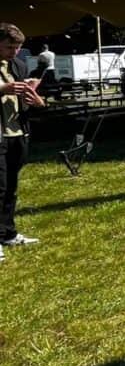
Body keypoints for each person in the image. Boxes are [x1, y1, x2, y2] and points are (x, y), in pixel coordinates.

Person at [0, 23, 45, 254]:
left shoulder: (17, 65)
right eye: (9, 47)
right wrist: (3, 89)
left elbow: (26, 100)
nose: (14, 52)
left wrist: (36, 100)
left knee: (10, 188)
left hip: (17, 132)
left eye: (18, 47)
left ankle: (8, 233)